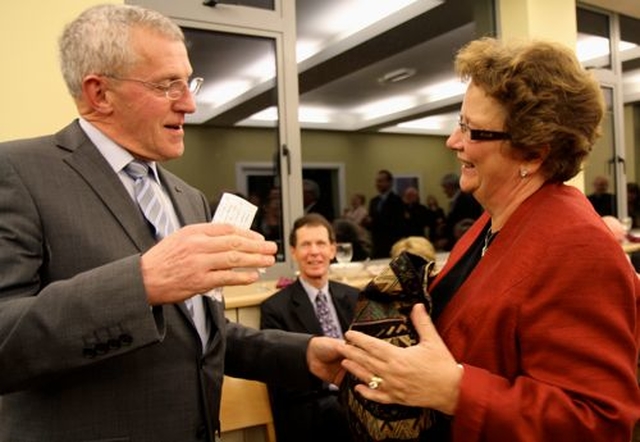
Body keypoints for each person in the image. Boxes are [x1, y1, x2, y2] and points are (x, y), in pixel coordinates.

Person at [0, 5, 343, 441]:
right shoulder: (16, 172)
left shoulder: (187, 197)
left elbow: (198, 335)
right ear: (99, 93)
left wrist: (304, 355)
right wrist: (139, 283)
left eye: (189, 81)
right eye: (167, 85)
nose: (190, 103)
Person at [338, 37, 640, 441]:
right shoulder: (494, 219)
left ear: (533, 154)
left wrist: (456, 392)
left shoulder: (579, 247)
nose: (453, 141)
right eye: (459, 122)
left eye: (472, 131)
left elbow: (599, 422)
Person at [260, 214, 358, 442]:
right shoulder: (276, 308)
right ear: (293, 252)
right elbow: (280, 379)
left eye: (321, 244)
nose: (314, 252)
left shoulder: (354, 298)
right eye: (306, 245)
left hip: (358, 399)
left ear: (333, 250)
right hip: (309, 410)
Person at [363, 169, 406, 258]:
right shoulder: (374, 201)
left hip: (392, 243)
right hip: (377, 244)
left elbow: (397, 223)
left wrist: (374, 220)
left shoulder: (397, 200)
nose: (377, 184)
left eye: (380, 181)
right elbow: (372, 221)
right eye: (377, 181)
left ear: (389, 183)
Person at [439, 172, 483, 250]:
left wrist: (448, 241)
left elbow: (466, 224)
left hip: (464, 241)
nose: (444, 191)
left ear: (451, 186)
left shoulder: (466, 199)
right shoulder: (458, 199)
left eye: (445, 188)